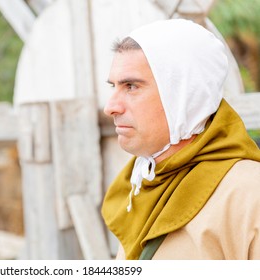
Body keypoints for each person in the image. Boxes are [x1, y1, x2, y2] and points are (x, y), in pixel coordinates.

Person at [101, 19, 260, 260]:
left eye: (131, 86)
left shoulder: (248, 194)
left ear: (183, 95)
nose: (110, 107)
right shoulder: (139, 183)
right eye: (114, 86)